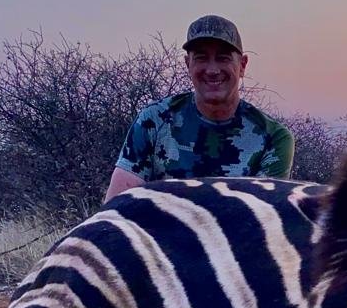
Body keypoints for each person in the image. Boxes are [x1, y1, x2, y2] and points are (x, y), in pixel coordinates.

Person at [104, 15, 294, 201]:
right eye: (201, 58)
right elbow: (115, 208)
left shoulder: (274, 138)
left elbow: (259, 217)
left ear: (242, 65)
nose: (212, 70)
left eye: (223, 58)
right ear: (188, 64)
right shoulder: (153, 119)